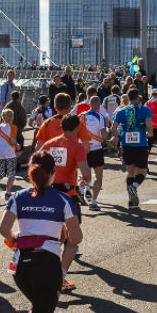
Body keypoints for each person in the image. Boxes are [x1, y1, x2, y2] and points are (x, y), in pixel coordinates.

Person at [0, 150, 83, 313]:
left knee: (38, 307)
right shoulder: (62, 199)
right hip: (47, 266)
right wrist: (63, 267)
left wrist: (17, 240)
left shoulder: (18, 196)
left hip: (21, 267)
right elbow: (76, 239)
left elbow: (3, 228)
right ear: (53, 174)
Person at [39, 114, 91, 291]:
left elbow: (36, 166)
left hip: (48, 193)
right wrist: (85, 179)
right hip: (67, 195)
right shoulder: (77, 146)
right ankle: (59, 277)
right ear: (77, 128)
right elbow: (86, 172)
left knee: (52, 235)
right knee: (73, 238)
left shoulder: (49, 144)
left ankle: (44, 271)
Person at [113, 89, 154, 210]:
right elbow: (148, 125)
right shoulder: (145, 109)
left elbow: (113, 127)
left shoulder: (121, 111)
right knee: (142, 171)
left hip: (126, 144)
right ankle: (134, 187)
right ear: (138, 98)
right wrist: (150, 133)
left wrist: (117, 136)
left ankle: (131, 202)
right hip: (140, 144)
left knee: (130, 172)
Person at [81, 95, 108, 210]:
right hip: (96, 149)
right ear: (98, 105)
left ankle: (81, 190)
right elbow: (103, 135)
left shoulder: (81, 116)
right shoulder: (100, 117)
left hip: (82, 149)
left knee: (84, 175)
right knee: (99, 177)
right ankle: (93, 202)